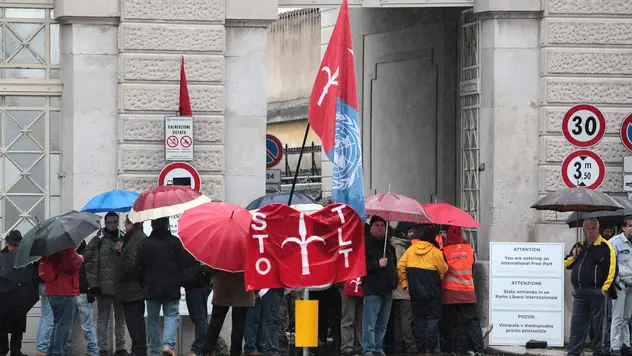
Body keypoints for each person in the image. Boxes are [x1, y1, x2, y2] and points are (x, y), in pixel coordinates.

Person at [136, 217, 197, 356]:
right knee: (171, 316)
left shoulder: (146, 243)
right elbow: (188, 263)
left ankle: (154, 351)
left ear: (152, 225)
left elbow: (138, 267)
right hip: (171, 287)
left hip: (151, 288)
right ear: (168, 225)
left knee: (152, 320)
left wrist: (143, 284)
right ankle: (168, 345)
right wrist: (181, 279)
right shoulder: (174, 242)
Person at [565, 218, 616, 356]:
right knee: (577, 324)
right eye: (588, 228)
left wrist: (604, 288)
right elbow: (566, 263)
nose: (591, 231)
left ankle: (598, 351)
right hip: (580, 292)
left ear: (598, 229)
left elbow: (612, 269)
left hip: (597, 292)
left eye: (594, 228)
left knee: (597, 325)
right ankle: (574, 351)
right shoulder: (579, 246)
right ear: (584, 230)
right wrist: (574, 256)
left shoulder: (606, 246)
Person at [396, 225, 448, 356]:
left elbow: (400, 266)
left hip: (415, 291)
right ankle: (429, 349)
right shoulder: (436, 252)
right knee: (432, 319)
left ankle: (420, 347)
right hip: (433, 292)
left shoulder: (411, 250)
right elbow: (443, 269)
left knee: (418, 319)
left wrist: (405, 284)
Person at [85, 212, 127, 356]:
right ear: (105, 223)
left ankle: (120, 347)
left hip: (119, 286)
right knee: (103, 319)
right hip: (103, 287)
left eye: (115, 222)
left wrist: (121, 252)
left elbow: (128, 261)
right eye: (109, 222)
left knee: (120, 319)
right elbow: (89, 263)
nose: (112, 225)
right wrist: (93, 285)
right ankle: (102, 348)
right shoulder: (98, 240)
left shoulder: (123, 239)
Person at [441, 226, 484, 356]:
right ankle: (478, 349)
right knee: (471, 321)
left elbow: (442, 269)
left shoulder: (445, 250)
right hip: (467, 291)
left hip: (450, 292)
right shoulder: (469, 249)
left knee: (452, 322)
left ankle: (454, 350)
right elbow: (472, 268)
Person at [362, 216, 398, 356]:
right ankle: (368, 349)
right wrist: (377, 264)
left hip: (388, 289)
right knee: (369, 323)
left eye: (382, 225)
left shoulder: (389, 246)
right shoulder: (365, 245)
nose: (380, 227)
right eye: (377, 225)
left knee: (382, 324)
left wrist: (394, 282)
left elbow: (393, 265)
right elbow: (361, 266)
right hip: (373, 289)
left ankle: (378, 347)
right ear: (371, 227)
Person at [38, 247, 83, 356]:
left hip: (52, 289)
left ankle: (51, 352)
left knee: (57, 323)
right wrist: (80, 258)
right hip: (64, 290)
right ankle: (58, 353)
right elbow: (71, 265)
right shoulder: (67, 247)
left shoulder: (48, 247)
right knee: (64, 326)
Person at [115, 217, 148, 356]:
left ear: (132, 223)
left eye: (126, 224)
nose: (124, 227)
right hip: (132, 289)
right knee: (134, 322)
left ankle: (139, 351)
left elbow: (132, 264)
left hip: (132, 289)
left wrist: (120, 275)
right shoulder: (134, 237)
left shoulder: (136, 238)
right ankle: (137, 349)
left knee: (135, 322)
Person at [202, 270, 254, 356]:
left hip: (223, 285)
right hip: (243, 288)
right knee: (238, 327)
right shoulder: (248, 256)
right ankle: (235, 353)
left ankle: (207, 351)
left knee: (215, 323)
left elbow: (211, 267)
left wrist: (212, 278)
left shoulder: (223, 256)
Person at [0, 230, 34, 356]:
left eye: (17, 245)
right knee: (2, 328)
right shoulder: (1, 257)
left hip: (19, 297)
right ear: (8, 243)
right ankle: (3, 351)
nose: (15, 248)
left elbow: (29, 277)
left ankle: (16, 350)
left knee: (18, 327)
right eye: (13, 245)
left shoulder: (25, 259)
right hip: (3, 299)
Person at [66, 240, 99, 356]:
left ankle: (93, 352)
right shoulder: (73, 254)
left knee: (86, 324)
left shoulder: (84, 254)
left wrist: (91, 290)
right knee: (69, 324)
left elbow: (92, 273)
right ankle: (66, 349)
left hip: (82, 293)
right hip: (73, 293)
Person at [390, 222, 417, 355]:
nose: (412, 234)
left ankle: (398, 344)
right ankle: (409, 345)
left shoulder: (398, 245)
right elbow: (402, 268)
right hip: (403, 289)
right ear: (403, 232)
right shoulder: (400, 247)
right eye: (410, 231)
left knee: (399, 319)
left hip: (397, 290)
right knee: (406, 318)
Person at [610, 216, 632, 356]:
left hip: (631, 284)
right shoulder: (615, 242)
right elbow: (611, 264)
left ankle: (626, 344)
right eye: (630, 225)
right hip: (620, 284)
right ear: (623, 227)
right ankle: (615, 346)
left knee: (627, 317)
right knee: (617, 317)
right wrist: (614, 282)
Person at [183, 253, 213, 356]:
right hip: (191, 284)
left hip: (199, 285)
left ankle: (198, 349)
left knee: (200, 318)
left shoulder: (204, 247)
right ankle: (208, 345)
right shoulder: (188, 247)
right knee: (197, 317)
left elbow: (209, 266)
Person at [340, 279, 363, 356]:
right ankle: (347, 347)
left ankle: (358, 346)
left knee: (361, 319)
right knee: (348, 318)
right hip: (347, 283)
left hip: (362, 284)